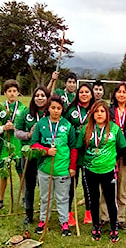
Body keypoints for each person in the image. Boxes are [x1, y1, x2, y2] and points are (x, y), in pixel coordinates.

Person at [76, 100, 126, 242]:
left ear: (107, 114)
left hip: (108, 170)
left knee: (111, 200)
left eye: (102, 111)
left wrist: (113, 160)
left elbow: (122, 147)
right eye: (97, 111)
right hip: (90, 170)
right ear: (92, 113)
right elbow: (79, 147)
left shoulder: (115, 129)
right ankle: (96, 226)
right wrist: (87, 161)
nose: (99, 114)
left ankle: (113, 227)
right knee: (94, 199)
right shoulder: (86, 129)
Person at [31, 95, 77, 237]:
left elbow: (73, 147)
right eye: (53, 108)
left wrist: (72, 166)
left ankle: (64, 223)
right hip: (45, 168)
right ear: (48, 108)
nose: (56, 111)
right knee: (46, 197)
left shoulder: (67, 125)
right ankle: (43, 221)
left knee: (63, 197)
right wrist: (45, 151)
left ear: (62, 109)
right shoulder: (41, 124)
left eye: (58, 108)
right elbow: (33, 144)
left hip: (62, 168)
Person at [100, 83, 126, 230]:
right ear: (115, 94)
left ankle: (120, 218)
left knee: (122, 187)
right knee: (107, 186)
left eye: (124, 92)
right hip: (109, 154)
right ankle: (104, 216)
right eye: (119, 92)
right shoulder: (109, 110)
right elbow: (103, 128)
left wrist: (123, 134)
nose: (122, 94)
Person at [15, 86, 50, 223]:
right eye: (37, 95)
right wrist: (29, 134)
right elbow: (17, 132)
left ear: (47, 98)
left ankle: (43, 214)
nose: (40, 98)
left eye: (43, 95)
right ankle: (28, 214)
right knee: (29, 185)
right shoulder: (26, 113)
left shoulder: (51, 113)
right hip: (29, 154)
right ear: (33, 97)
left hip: (44, 155)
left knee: (44, 186)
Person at [64, 83, 95, 226]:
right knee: (71, 184)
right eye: (81, 92)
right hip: (73, 151)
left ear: (91, 94)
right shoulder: (71, 110)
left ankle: (89, 211)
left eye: (86, 92)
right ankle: (69, 213)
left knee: (88, 183)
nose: (84, 94)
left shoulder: (95, 109)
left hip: (89, 151)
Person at [0, 79, 26, 209]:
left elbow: (26, 127)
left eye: (14, 91)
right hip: (5, 145)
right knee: (3, 172)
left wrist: (15, 127)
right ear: (5, 93)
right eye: (9, 91)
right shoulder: (1, 107)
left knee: (21, 172)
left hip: (19, 145)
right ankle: (0, 200)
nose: (12, 94)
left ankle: (24, 197)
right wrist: (3, 128)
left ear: (18, 93)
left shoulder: (23, 108)